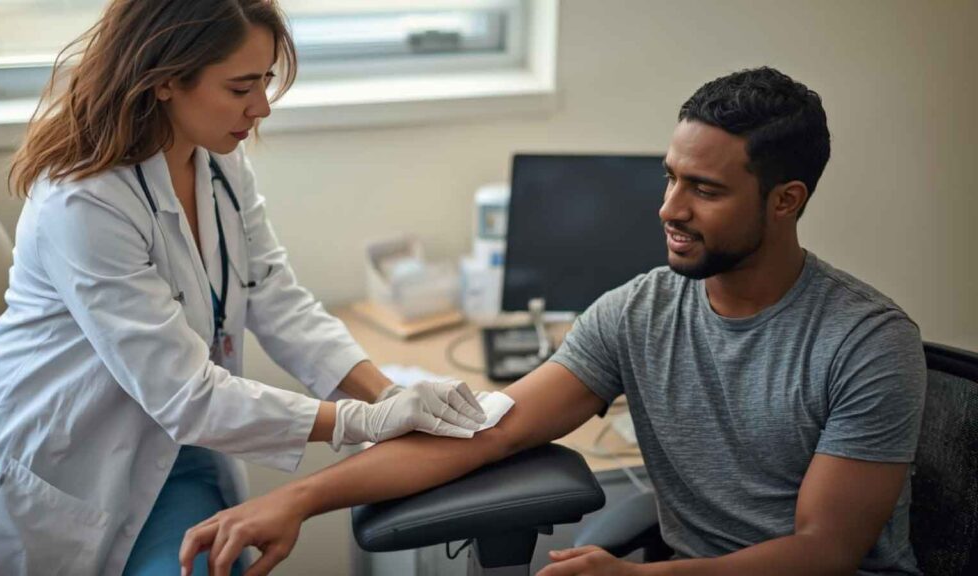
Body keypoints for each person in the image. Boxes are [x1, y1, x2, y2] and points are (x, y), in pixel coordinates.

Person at [179, 67, 927, 576]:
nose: (668, 209)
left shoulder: (864, 343)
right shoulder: (639, 311)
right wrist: (296, 499)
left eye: (704, 189)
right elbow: (489, 429)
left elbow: (825, 551)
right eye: (670, 178)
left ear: (786, 200)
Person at [0, 1, 488, 575]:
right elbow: (186, 395)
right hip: (67, 470)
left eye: (265, 81)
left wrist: (386, 396)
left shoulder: (219, 163)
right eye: (239, 88)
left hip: (176, 459)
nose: (260, 108)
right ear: (162, 81)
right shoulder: (83, 201)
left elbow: (278, 301)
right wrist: (360, 423)